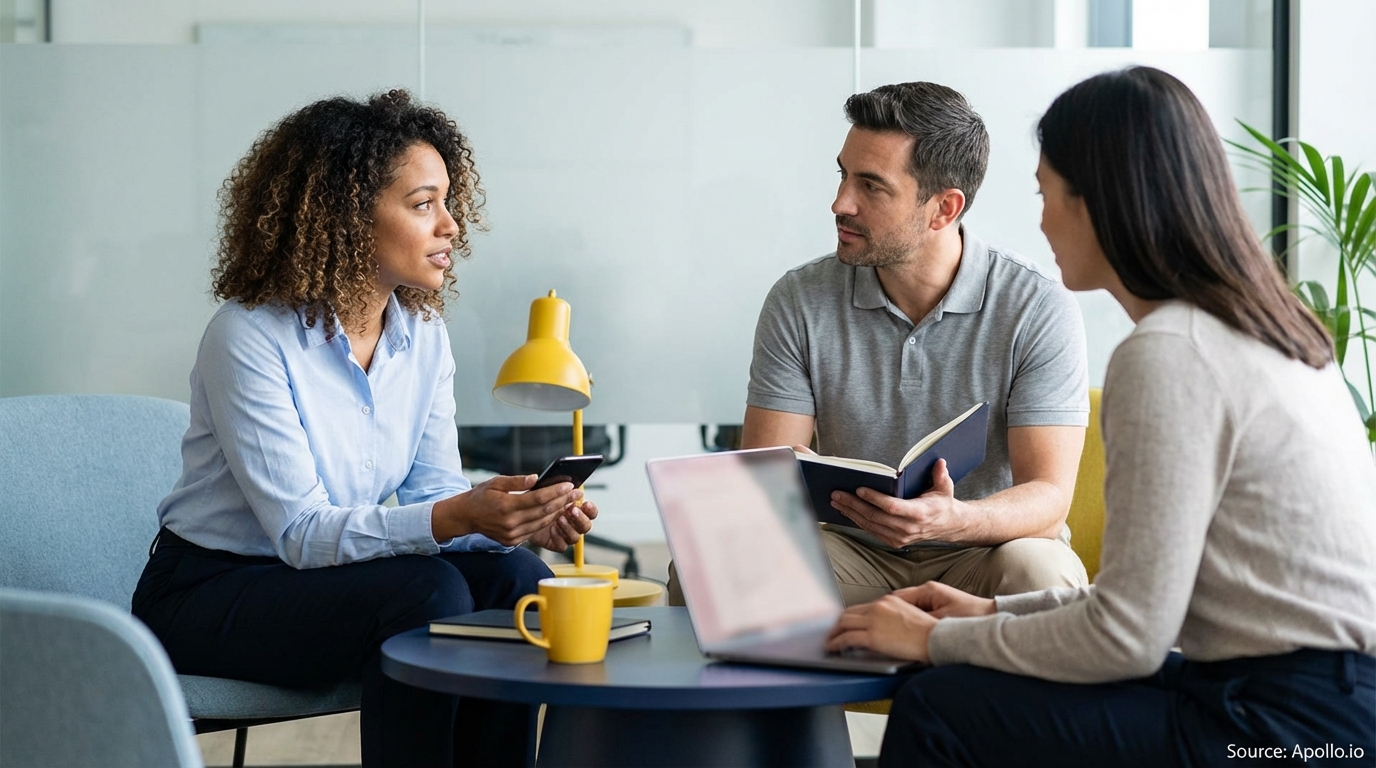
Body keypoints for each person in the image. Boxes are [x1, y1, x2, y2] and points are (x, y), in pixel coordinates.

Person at [827, 66, 1376, 766]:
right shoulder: (1267, 329)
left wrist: (932, 640)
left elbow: (1128, 637)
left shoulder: (1171, 354)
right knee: (974, 683)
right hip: (1310, 695)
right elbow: (1141, 606)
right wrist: (991, 615)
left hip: (1288, 731)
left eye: (1046, 194)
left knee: (940, 705)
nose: (1041, 219)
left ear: (1101, 205)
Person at [131, 90, 596, 768]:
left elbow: (431, 490)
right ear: (348, 217)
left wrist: (515, 520)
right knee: (426, 594)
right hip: (209, 594)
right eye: (423, 204)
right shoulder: (248, 338)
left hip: (323, 581)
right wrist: (452, 517)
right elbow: (299, 533)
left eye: (447, 201)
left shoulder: (423, 337)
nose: (452, 226)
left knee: (517, 578)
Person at [670, 82, 1091, 606]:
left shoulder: (1036, 308)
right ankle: (794, 692)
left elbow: (1048, 501)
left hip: (982, 550)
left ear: (944, 208)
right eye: (843, 174)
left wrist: (954, 520)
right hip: (849, 551)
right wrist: (783, 476)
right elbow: (763, 483)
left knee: (1039, 569)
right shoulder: (800, 299)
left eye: (871, 186)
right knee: (708, 560)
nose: (840, 202)